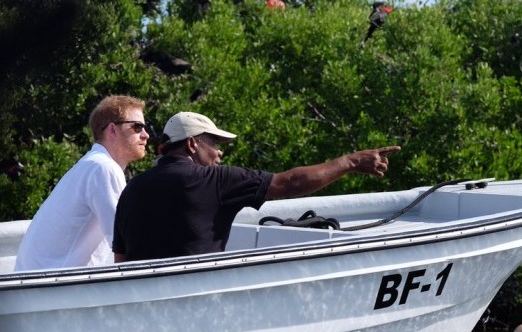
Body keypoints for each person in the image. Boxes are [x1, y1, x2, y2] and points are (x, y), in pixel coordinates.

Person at [113, 111, 400, 262]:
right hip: (194, 306)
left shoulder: (131, 189)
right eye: (214, 144)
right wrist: (351, 162)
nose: (220, 153)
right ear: (191, 144)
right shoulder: (215, 181)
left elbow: (121, 260)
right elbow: (291, 182)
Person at [14, 95, 149, 271]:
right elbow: (124, 243)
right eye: (137, 127)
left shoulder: (92, 165)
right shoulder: (103, 168)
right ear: (112, 130)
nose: (146, 135)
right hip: (55, 289)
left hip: (42, 286)